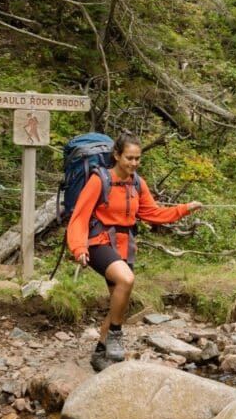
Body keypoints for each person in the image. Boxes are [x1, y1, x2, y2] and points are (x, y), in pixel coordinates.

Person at [67, 132, 202, 371]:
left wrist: (184, 209)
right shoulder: (100, 180)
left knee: (119, 301)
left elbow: (153, 214)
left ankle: (100, 352)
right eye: (129, 158)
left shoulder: (137, 183)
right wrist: (79, 247)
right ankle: (116, 335)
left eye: (137, 158)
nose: (133, 163)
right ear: (117, 155)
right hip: (99, 242)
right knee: (126, 279)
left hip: (124, 245)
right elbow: (79, 216)